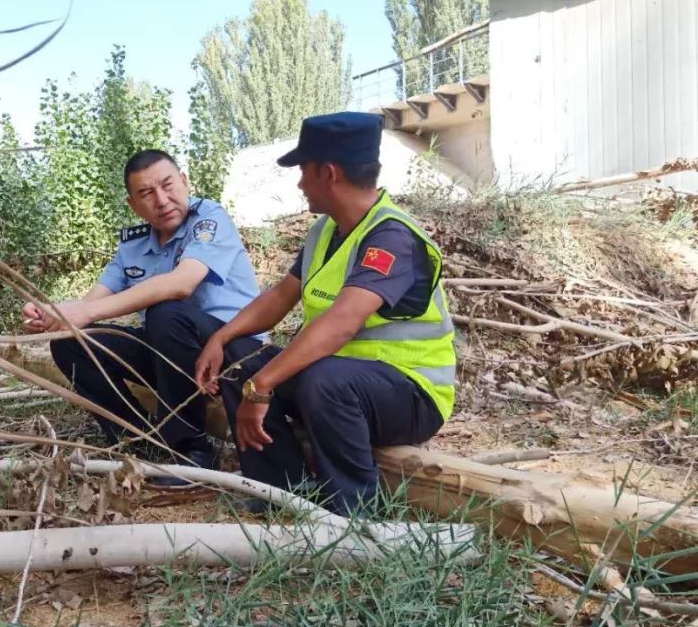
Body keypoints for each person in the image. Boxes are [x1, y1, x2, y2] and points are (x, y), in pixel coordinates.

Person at [194, 112, 457, 514]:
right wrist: (222, 337)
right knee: (240, 360)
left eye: (303, 171)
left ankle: (352, 512)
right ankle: (280, 491)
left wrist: (261, 386)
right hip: (343, 379)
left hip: (412, 394)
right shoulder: (325, 231)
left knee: (323, 379)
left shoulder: (391, 237)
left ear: (328, 173)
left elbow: (341, 325)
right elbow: (281, 297)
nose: (299, 183)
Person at [23, 149, 261, 475]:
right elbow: (91, 302)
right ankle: (140, 441)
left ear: (184, 182)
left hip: (233, 353)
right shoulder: (133, 245)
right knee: (72, 343)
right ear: (133, 204)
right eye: (147, 194)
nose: (162, 200)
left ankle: (192, 452)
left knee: (165, 312)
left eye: (168, 186)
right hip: (172, 355)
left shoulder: (209, 218)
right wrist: (52, 314)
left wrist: (87, 313)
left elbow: (182, 284)